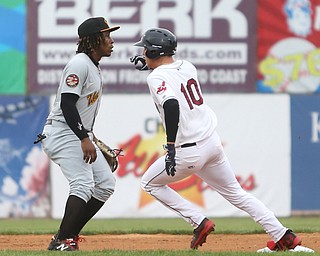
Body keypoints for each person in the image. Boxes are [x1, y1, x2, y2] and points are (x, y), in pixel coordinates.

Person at [130, 28, 314, 252]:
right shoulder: (187, 66)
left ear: (152, 51)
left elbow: (170, 104)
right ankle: (284, 236)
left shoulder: (155, 77)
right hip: (211, 143)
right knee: (237, 194)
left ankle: (198, 221)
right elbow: (170, 75)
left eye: (145, 49)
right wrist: (150, 65)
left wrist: (169, 146)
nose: (143, 52)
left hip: (188, 150)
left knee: (149, 183)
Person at [38, 17, 120, 251]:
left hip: (77, 132)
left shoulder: (92, 65)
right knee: (82, 185)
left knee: (104, 185)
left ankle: (66, 235)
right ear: (93, 40)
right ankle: (63, 241)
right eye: (106, 36)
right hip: (62, 133)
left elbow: (81, 113)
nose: (111, 41)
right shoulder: (79, 64)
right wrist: (84, 138)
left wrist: (95, 141)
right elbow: (67, 104)